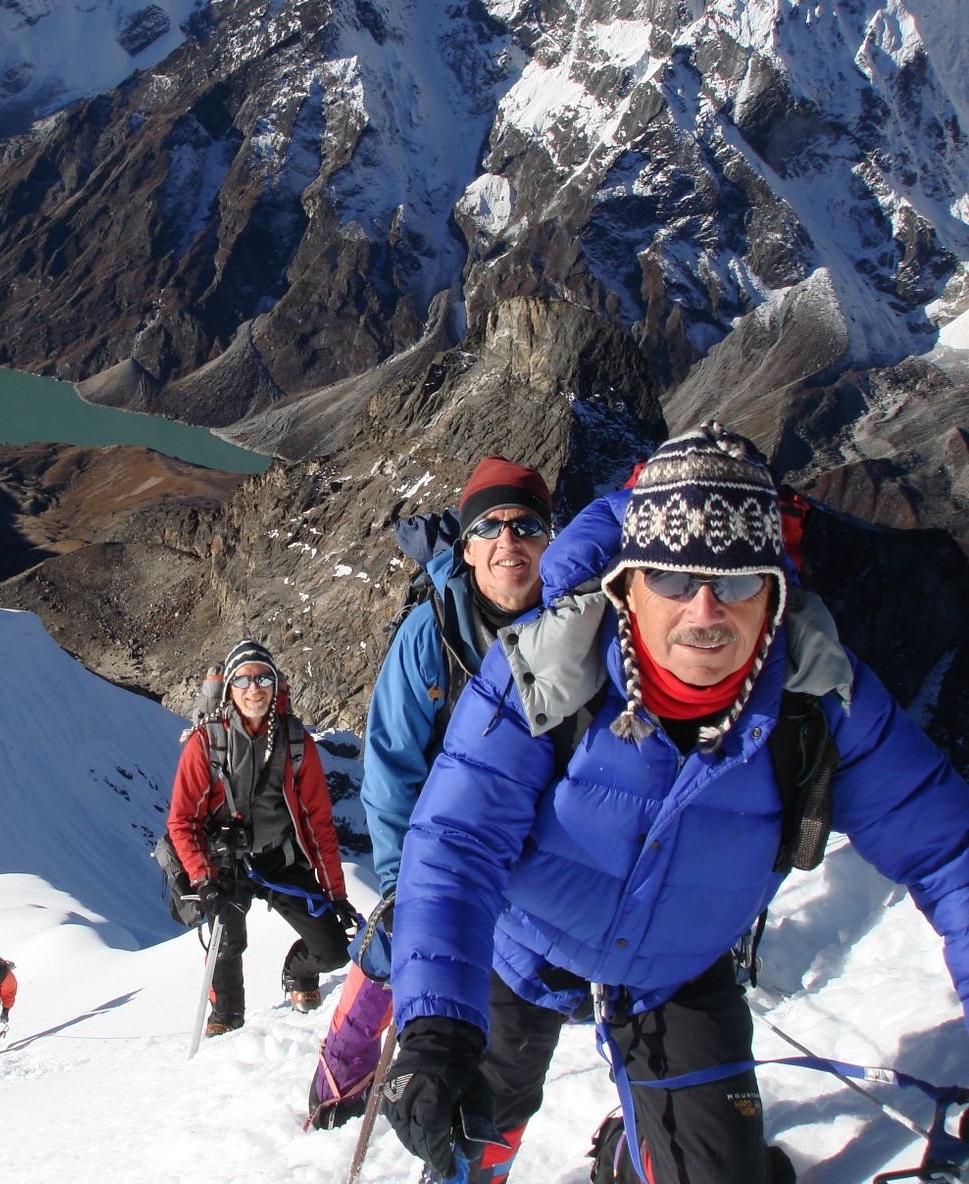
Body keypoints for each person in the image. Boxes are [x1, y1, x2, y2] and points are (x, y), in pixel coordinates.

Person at [383, 422, 969, 1184]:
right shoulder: (545, 673)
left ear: (774, 595)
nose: (704, 609)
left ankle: (631, 1156)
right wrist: (435, 1027)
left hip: (678, 965)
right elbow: (456, 842)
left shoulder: (822, 700)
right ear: (626, 583)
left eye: (734, 580)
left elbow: (950, 850)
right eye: (671, 576)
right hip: (524, 944)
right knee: (480, 1120)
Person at [307, 456, 554, 1134]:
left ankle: (475, 1145)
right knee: (395, 951)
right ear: (469, 547)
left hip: (527, 854)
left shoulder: (573, 626)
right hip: (438, 843)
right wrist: (398, 883)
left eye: (527, 524)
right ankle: (340, 1077)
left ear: (549, 539)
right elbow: (391, 766)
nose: (510, 541)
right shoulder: (430, 636)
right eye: (491, 526)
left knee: (515, 1013)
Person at [167, 638, 353, 1036]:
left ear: (275, 684)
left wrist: (336, 894)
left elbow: (318, 822)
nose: (255, 688)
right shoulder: (207, 744)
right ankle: (226, 1019)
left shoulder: (296, 742)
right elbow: (182, 821)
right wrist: (203, 878)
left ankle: (300, 972)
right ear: (230, 688)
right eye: (244, 679)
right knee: (226, 942)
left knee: (334, 950)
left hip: (278, 858)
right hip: (224, 864)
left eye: (263, 677)